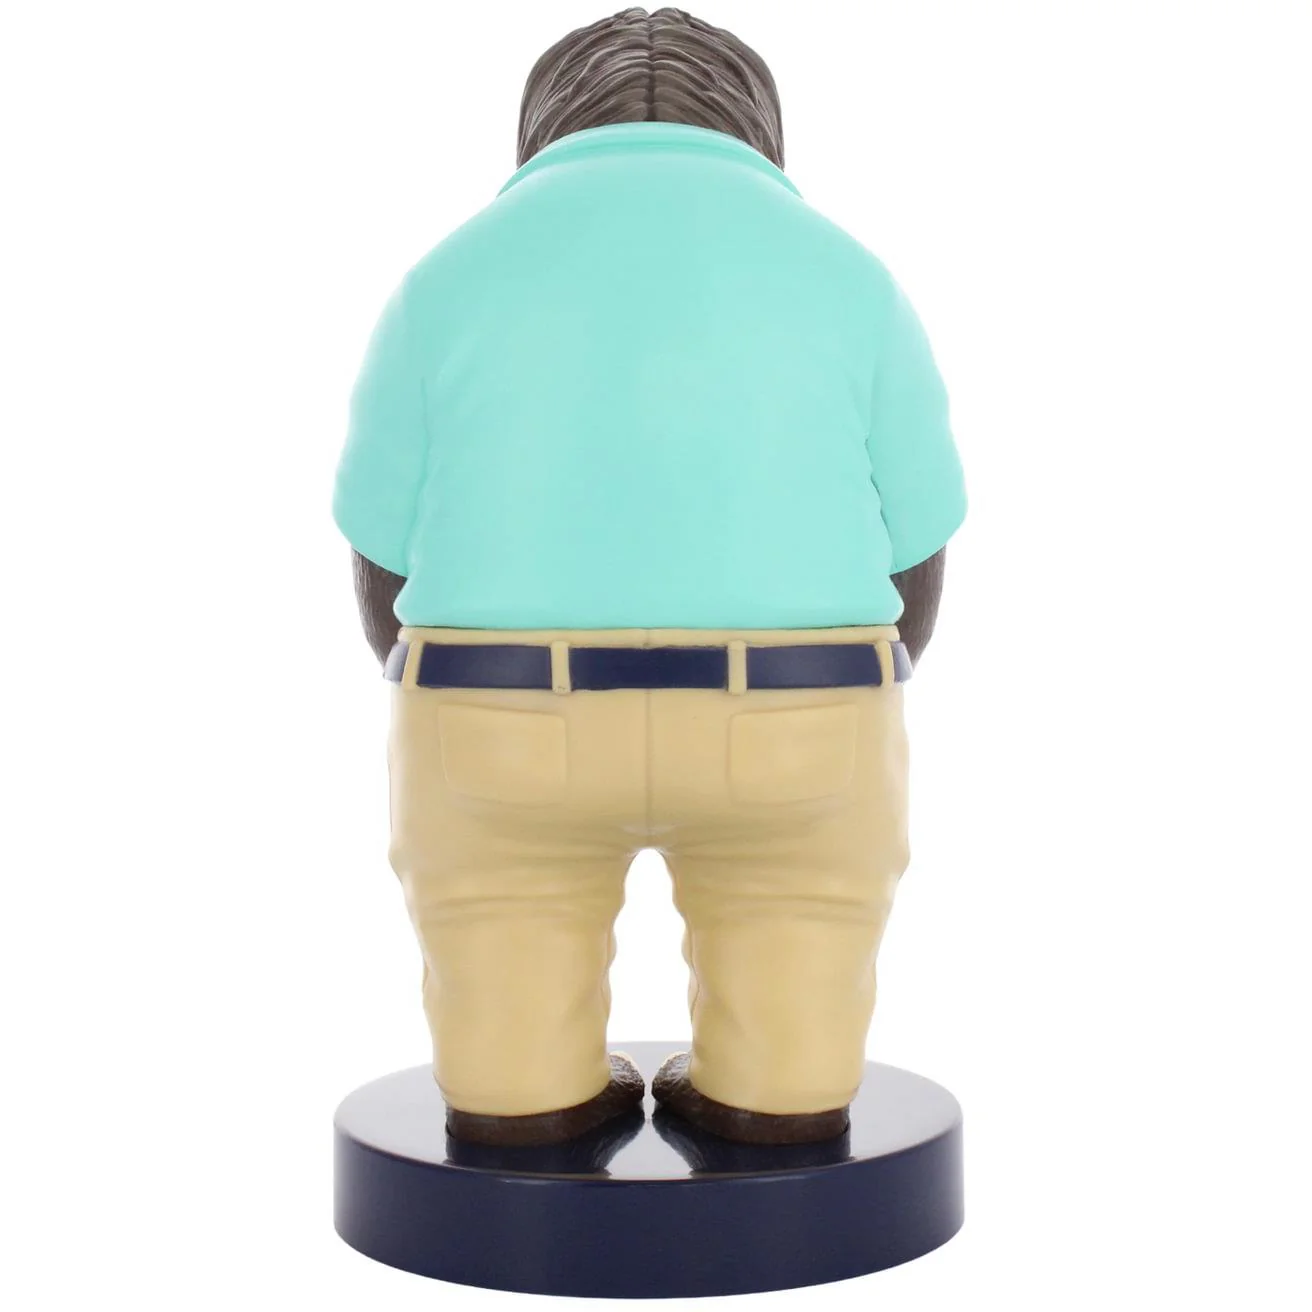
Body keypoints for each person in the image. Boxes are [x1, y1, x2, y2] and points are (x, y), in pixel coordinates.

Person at [334, 6, 965, 1146]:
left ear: (542, 123)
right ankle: (777, 1108)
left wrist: (424, 674)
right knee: (799, 939)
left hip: (495, 709)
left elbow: (381, 559)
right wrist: (870, 674)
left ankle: (519, 1114)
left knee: (499, 945)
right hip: (800, 710)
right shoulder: (850, 273)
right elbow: (916, 549)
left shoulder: (444, 274)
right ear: (759, 124)